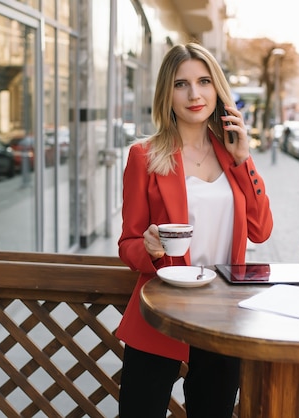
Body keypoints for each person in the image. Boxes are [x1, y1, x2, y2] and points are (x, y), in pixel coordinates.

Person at [116, 42, 273, 417]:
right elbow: (128, 244)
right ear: (166, 94)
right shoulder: (145, 156)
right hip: (163, 309)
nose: (194, 94)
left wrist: (243, 159)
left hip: (222, 313)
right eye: (181, 84)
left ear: (217, 89)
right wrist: (150, 248)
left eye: (204, 81)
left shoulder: (232, 154)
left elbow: (261, 230)